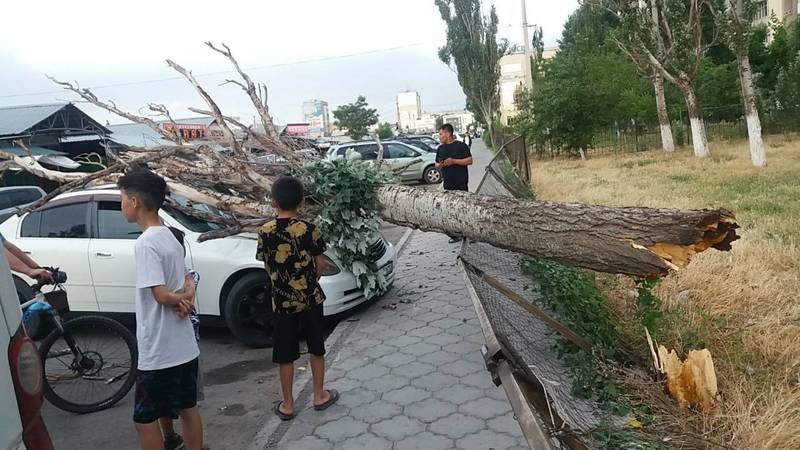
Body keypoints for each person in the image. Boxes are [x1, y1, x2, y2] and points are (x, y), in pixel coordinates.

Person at [118, 169, 204, 450]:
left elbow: (160, 295)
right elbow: (187, 280)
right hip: (184, 345)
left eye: (122, 198)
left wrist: (179, 299)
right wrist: (186, 297)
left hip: (159, 349)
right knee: (188, 408)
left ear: (135, 201)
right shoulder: (170, 235)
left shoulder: (145, 243)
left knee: (144, 420)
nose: (121, 205)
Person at [257, 176, 339, 421]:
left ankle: (288, 404)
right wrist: (308, 282)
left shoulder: (265, 231)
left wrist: (282, 283)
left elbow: (267, 266)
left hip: (282, 302)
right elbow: (320, 264)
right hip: (310, 299)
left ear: (273, 202)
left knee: (285, 354)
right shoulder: (310, 230)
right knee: (316, 347)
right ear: (302, 202)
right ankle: (319, 395)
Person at [435, 123, 474, 242]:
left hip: (460, 182)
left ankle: (471, 234)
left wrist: (454, 161)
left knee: (464, 208)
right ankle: (456, 234)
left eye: (440, 134)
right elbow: (436, 164)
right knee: (451, 210)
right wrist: (441, 165)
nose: (439, 137)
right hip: (448, 183)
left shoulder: (461, 146)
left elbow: (470, 160)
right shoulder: (440, 149)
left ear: (448, 134)